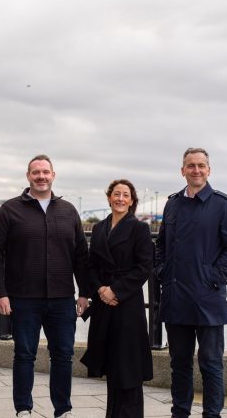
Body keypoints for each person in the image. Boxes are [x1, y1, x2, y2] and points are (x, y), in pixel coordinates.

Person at [0, 154, 90, 418]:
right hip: (23, 298)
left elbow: (81, 255)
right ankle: (23, 409)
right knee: (24, 354)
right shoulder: (10, 210)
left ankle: (63, 410)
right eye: (36, 172)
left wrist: (84, 293)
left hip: (62, 298)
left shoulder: (68, 211)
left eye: (46, 172)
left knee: (63, 355)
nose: (41, 177)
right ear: (28, 176)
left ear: (53, 175)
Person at [155, 148, 227, 418]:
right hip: (176, 296)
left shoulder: (223, 204)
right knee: (179, 364)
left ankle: (212, 415)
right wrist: (162, 272)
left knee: (211, 364)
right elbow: (161, 246)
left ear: (209, 170)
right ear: (183, 170)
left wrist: (213, 277)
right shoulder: (172, 204)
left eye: (201, 165)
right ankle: (179, 413)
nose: (196, 170)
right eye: (191, 166)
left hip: (208, 298)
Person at [80, 179, 154, 418]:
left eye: (125, 195)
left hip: (127, 303)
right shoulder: (99, 228)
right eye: (116, 194)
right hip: (104, 302)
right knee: (111, 363)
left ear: (132, 201)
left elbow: (144, 267)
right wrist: (101, 289)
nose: (121, 199)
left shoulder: (139, 229)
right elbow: (91, 265)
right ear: (109, 198)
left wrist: (116, 290)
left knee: (128, 366)